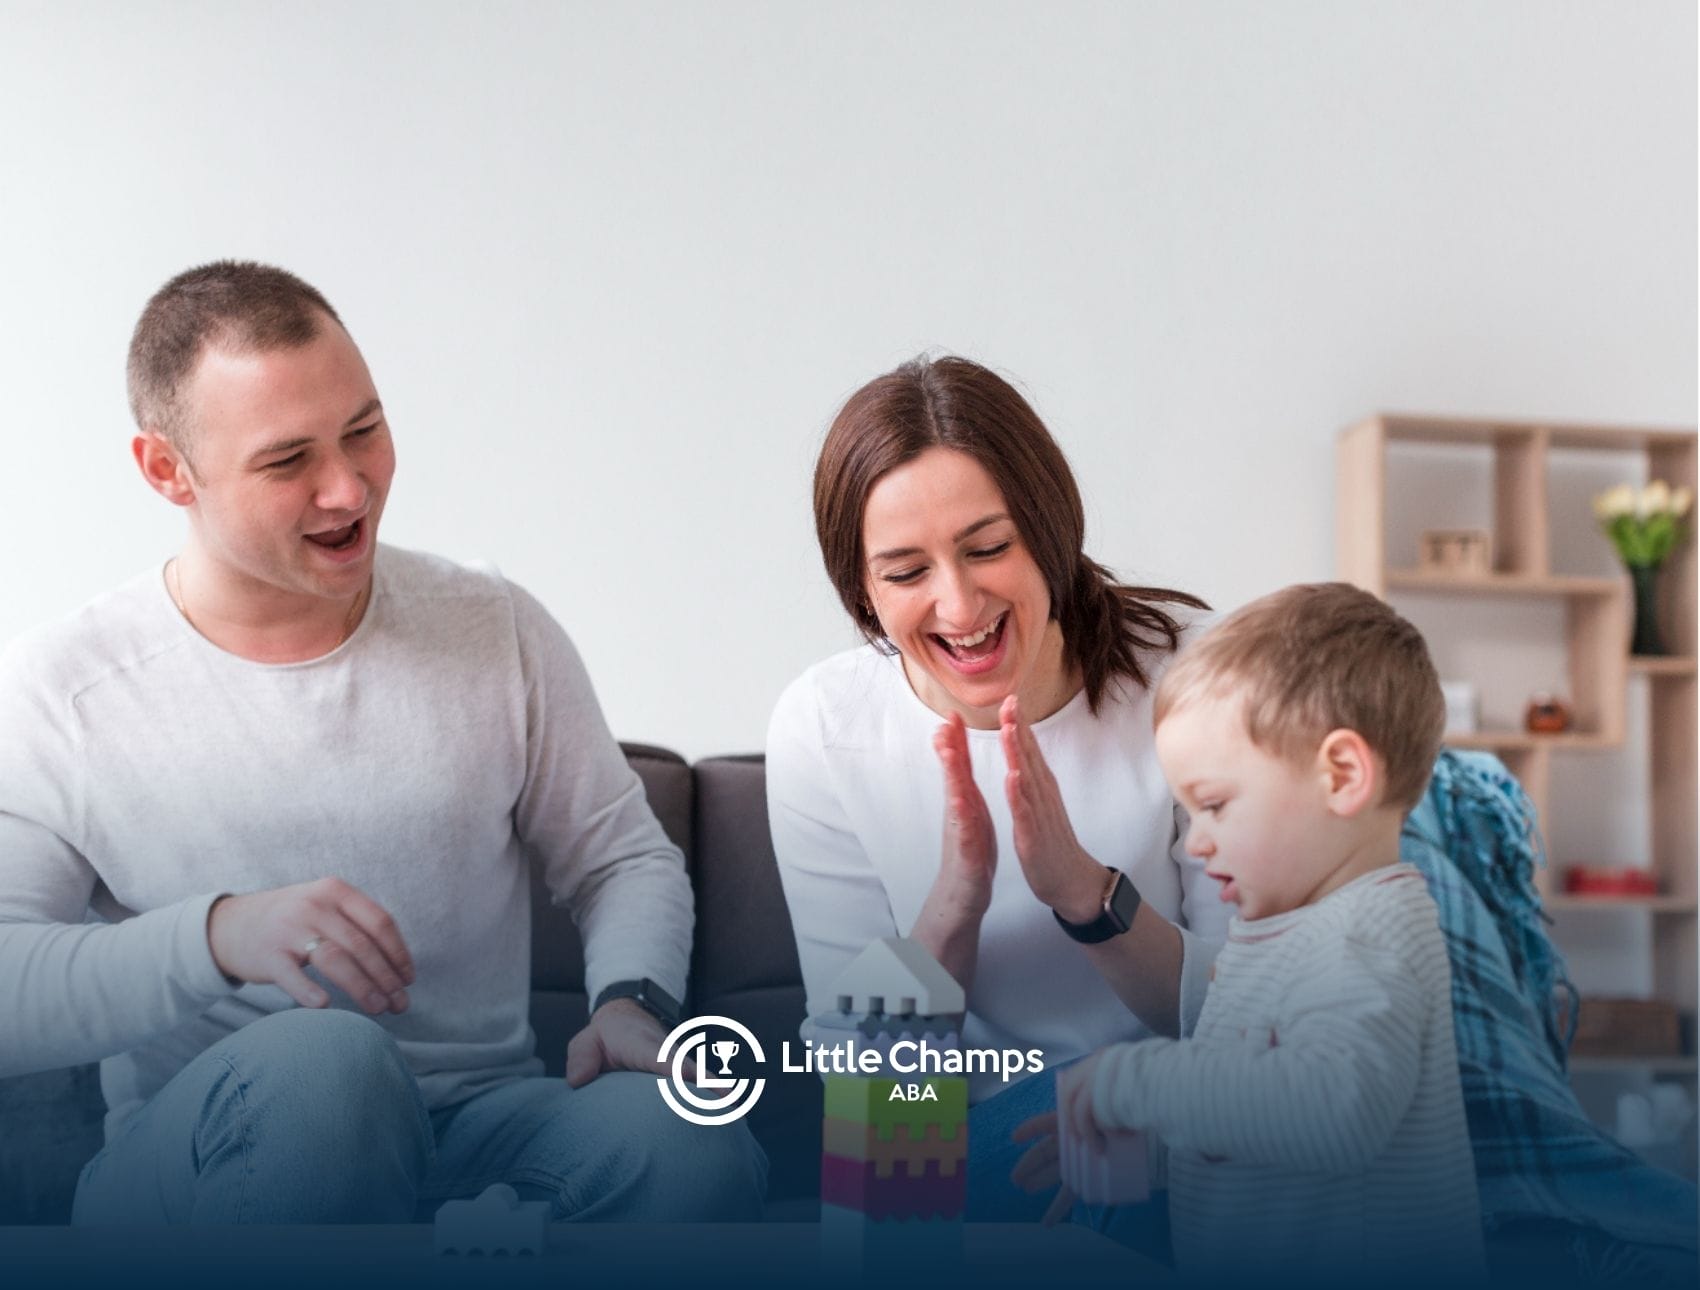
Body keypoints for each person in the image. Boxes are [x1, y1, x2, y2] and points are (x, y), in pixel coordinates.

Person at [0, 261, 766, 1224]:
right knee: (329, 1062)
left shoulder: (491, 625)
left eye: (363, 430)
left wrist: (631, 1001)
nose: (348, 487)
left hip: (480, 1127)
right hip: (219, 1144)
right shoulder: (65, 686)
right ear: (167, 471)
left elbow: (623, 856)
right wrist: (217, 935)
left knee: (697, 1137)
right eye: (288, 463)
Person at [765, 354, 1225, 1224]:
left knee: (1109, 1144)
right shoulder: (823, 726)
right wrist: (953, 909)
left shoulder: (1198, 676)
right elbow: (868, 1086)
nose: (959, 603)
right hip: (956, 1121)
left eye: (987, 549)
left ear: (1049, 532)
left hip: (1177, 1107)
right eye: (906, 573)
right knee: (879, 1159)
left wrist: (1089, 899)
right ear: (862, 592)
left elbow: (1257, 1015)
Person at [1046, 581, 1485, 1284]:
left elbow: (1334, 1109)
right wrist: (1148, 1144)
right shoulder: (1275, 936)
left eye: (1215, 805)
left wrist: (1136, 1080)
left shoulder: (1370, 934)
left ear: (1341, 775)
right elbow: (1257, 1123)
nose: (1197, 843)